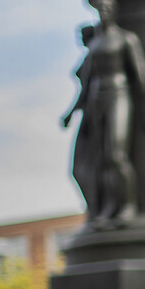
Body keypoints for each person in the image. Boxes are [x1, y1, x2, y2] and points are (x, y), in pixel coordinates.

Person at [82, 0, 145, 223]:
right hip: (97, 97)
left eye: (106, 8)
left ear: (114, 12)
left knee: (116, 154)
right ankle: (110, 206)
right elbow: (86, 80)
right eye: (99, 9)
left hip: (119, 94)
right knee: (103, 157)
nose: (102, 13)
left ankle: (129, 204)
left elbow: (141, 75)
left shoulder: (127, 38)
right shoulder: (94, 43)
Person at [60, 24, 97, 218]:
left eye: (82, 35)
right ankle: (94, 209)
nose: (79, 38)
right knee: (79, 169)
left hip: (95, 115)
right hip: (89, 115)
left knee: (84, 167)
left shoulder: (94, 56)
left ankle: (96, 209)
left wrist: (69, 114)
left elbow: (85, 92)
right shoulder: (90, 56)